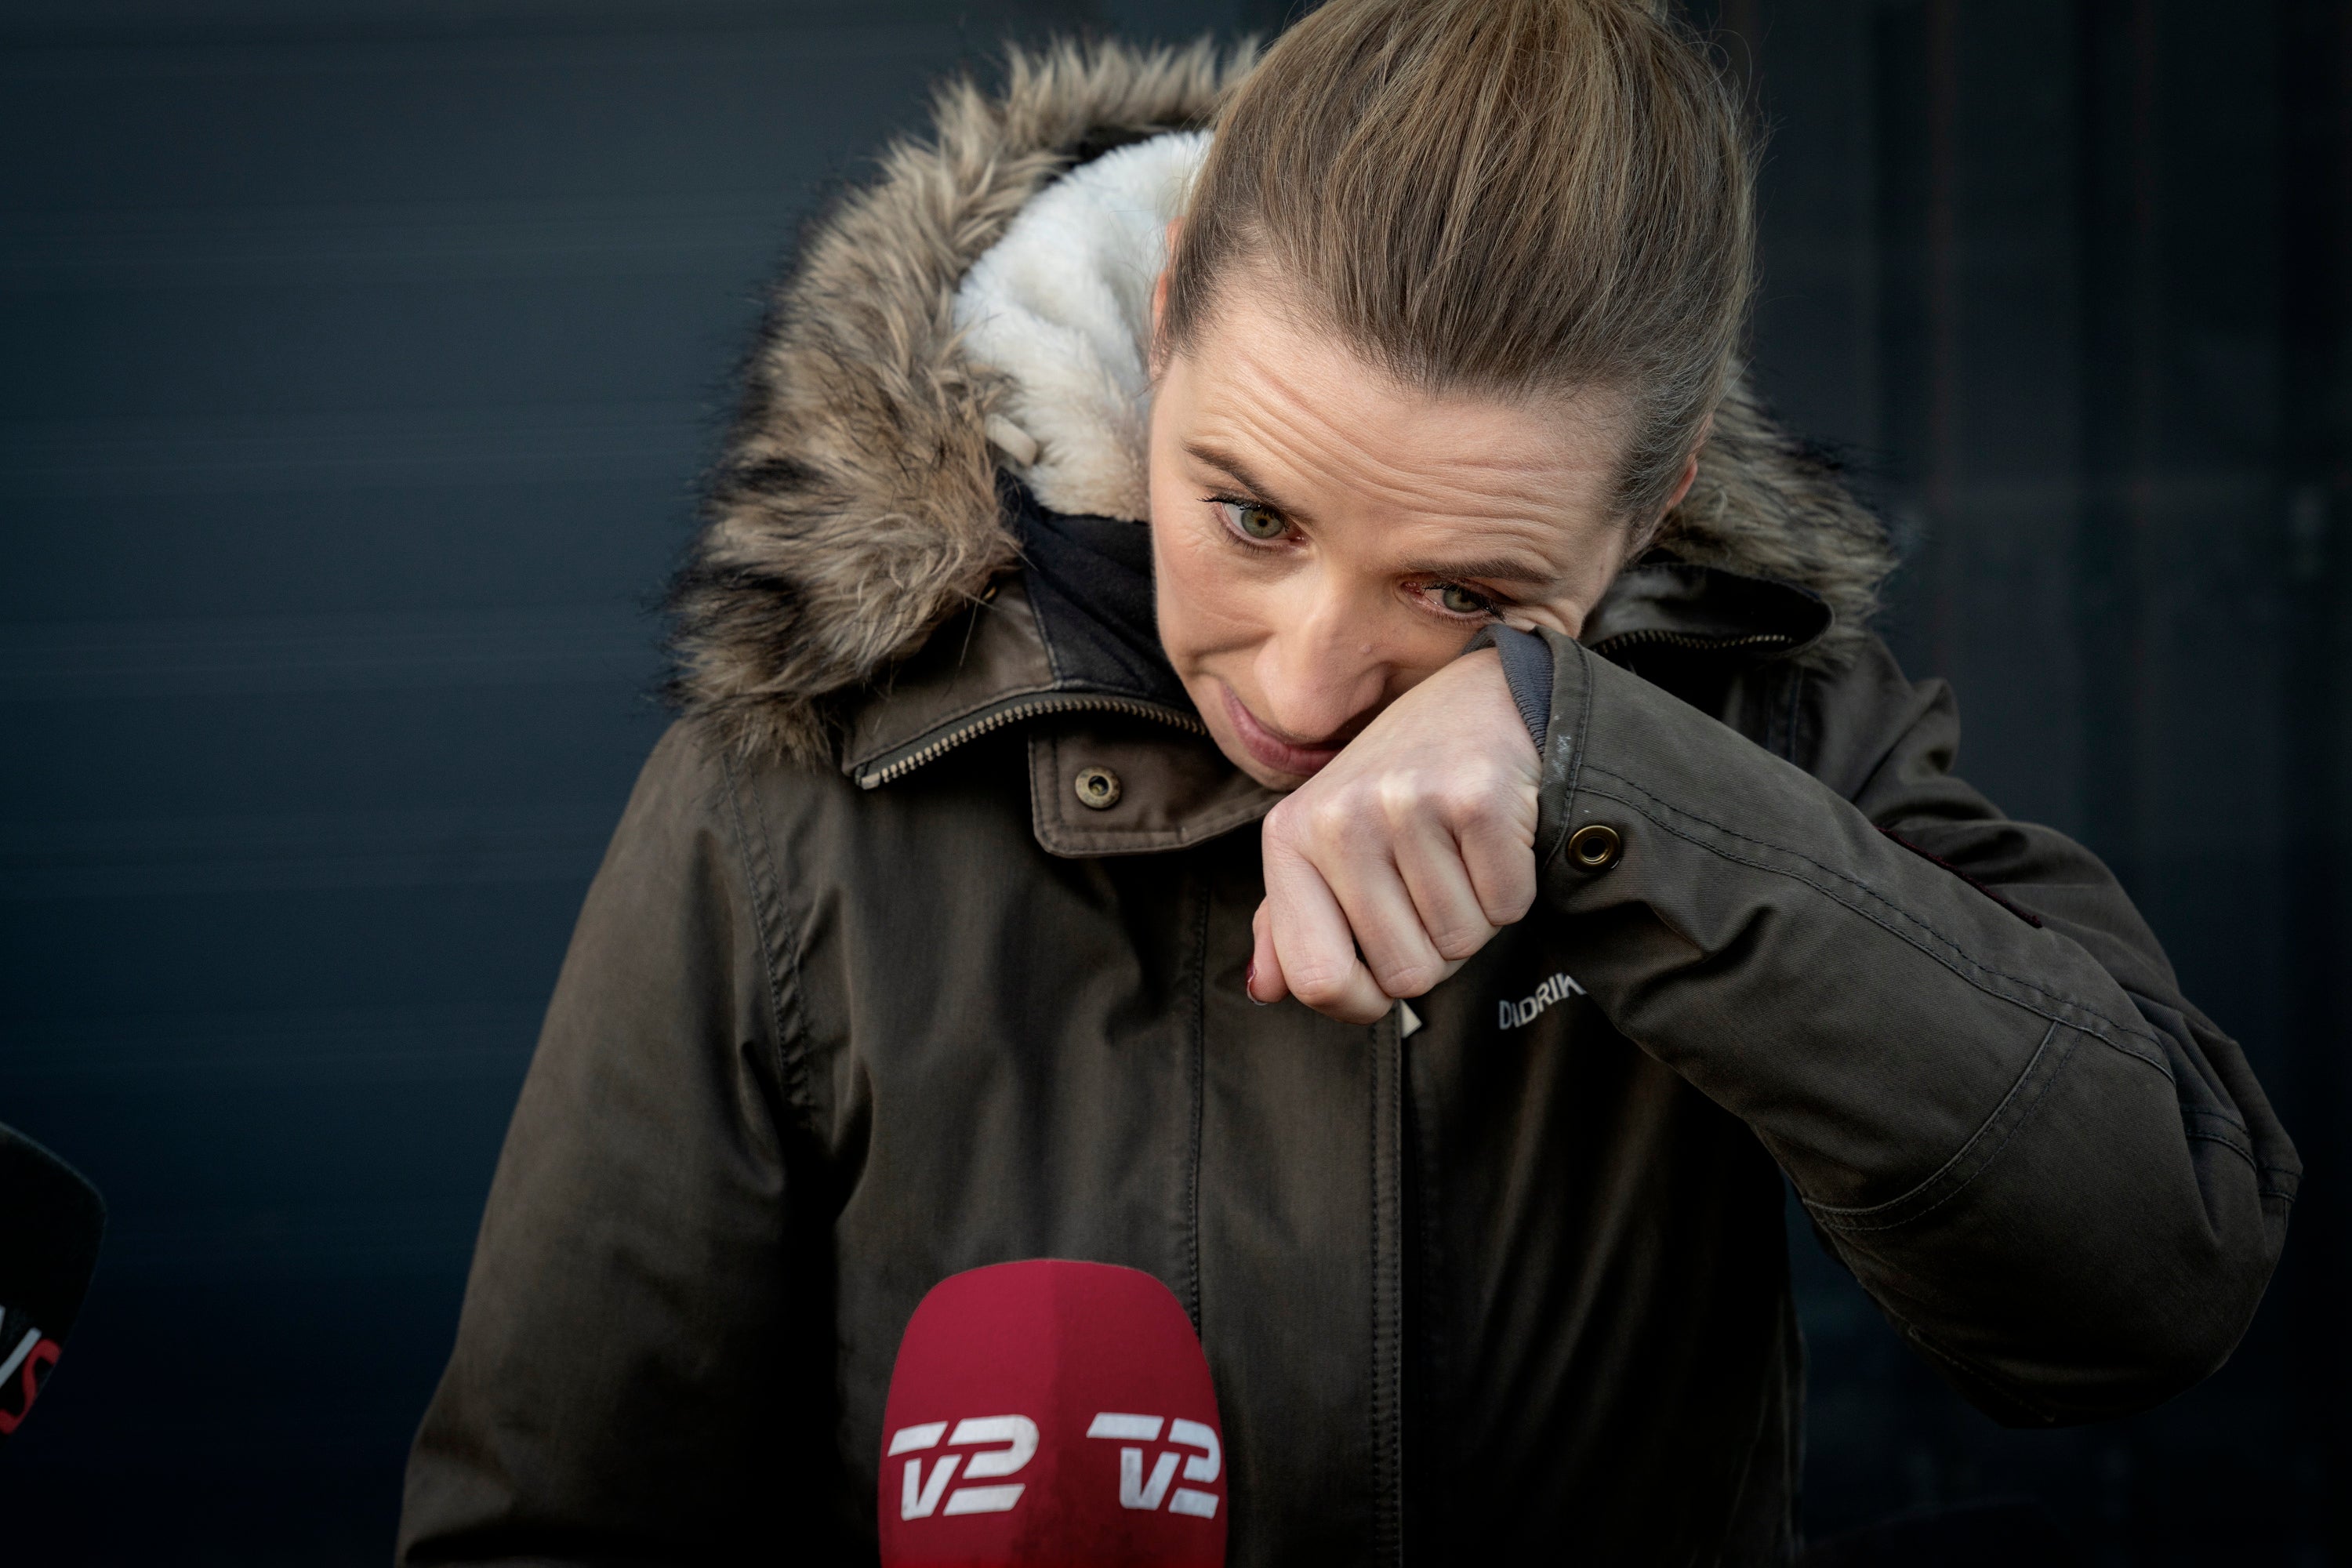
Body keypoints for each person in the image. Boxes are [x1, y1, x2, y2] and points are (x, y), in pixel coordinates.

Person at [396, 3, 2298, 1562]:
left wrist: (1607, 775)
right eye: (1250, 511)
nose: (1304, 679)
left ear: (1656, 507)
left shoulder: (1767, 726)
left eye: (1461, 589)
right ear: (1158, 336)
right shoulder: (805, 777)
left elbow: (2152, 1276)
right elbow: (539, 1528)